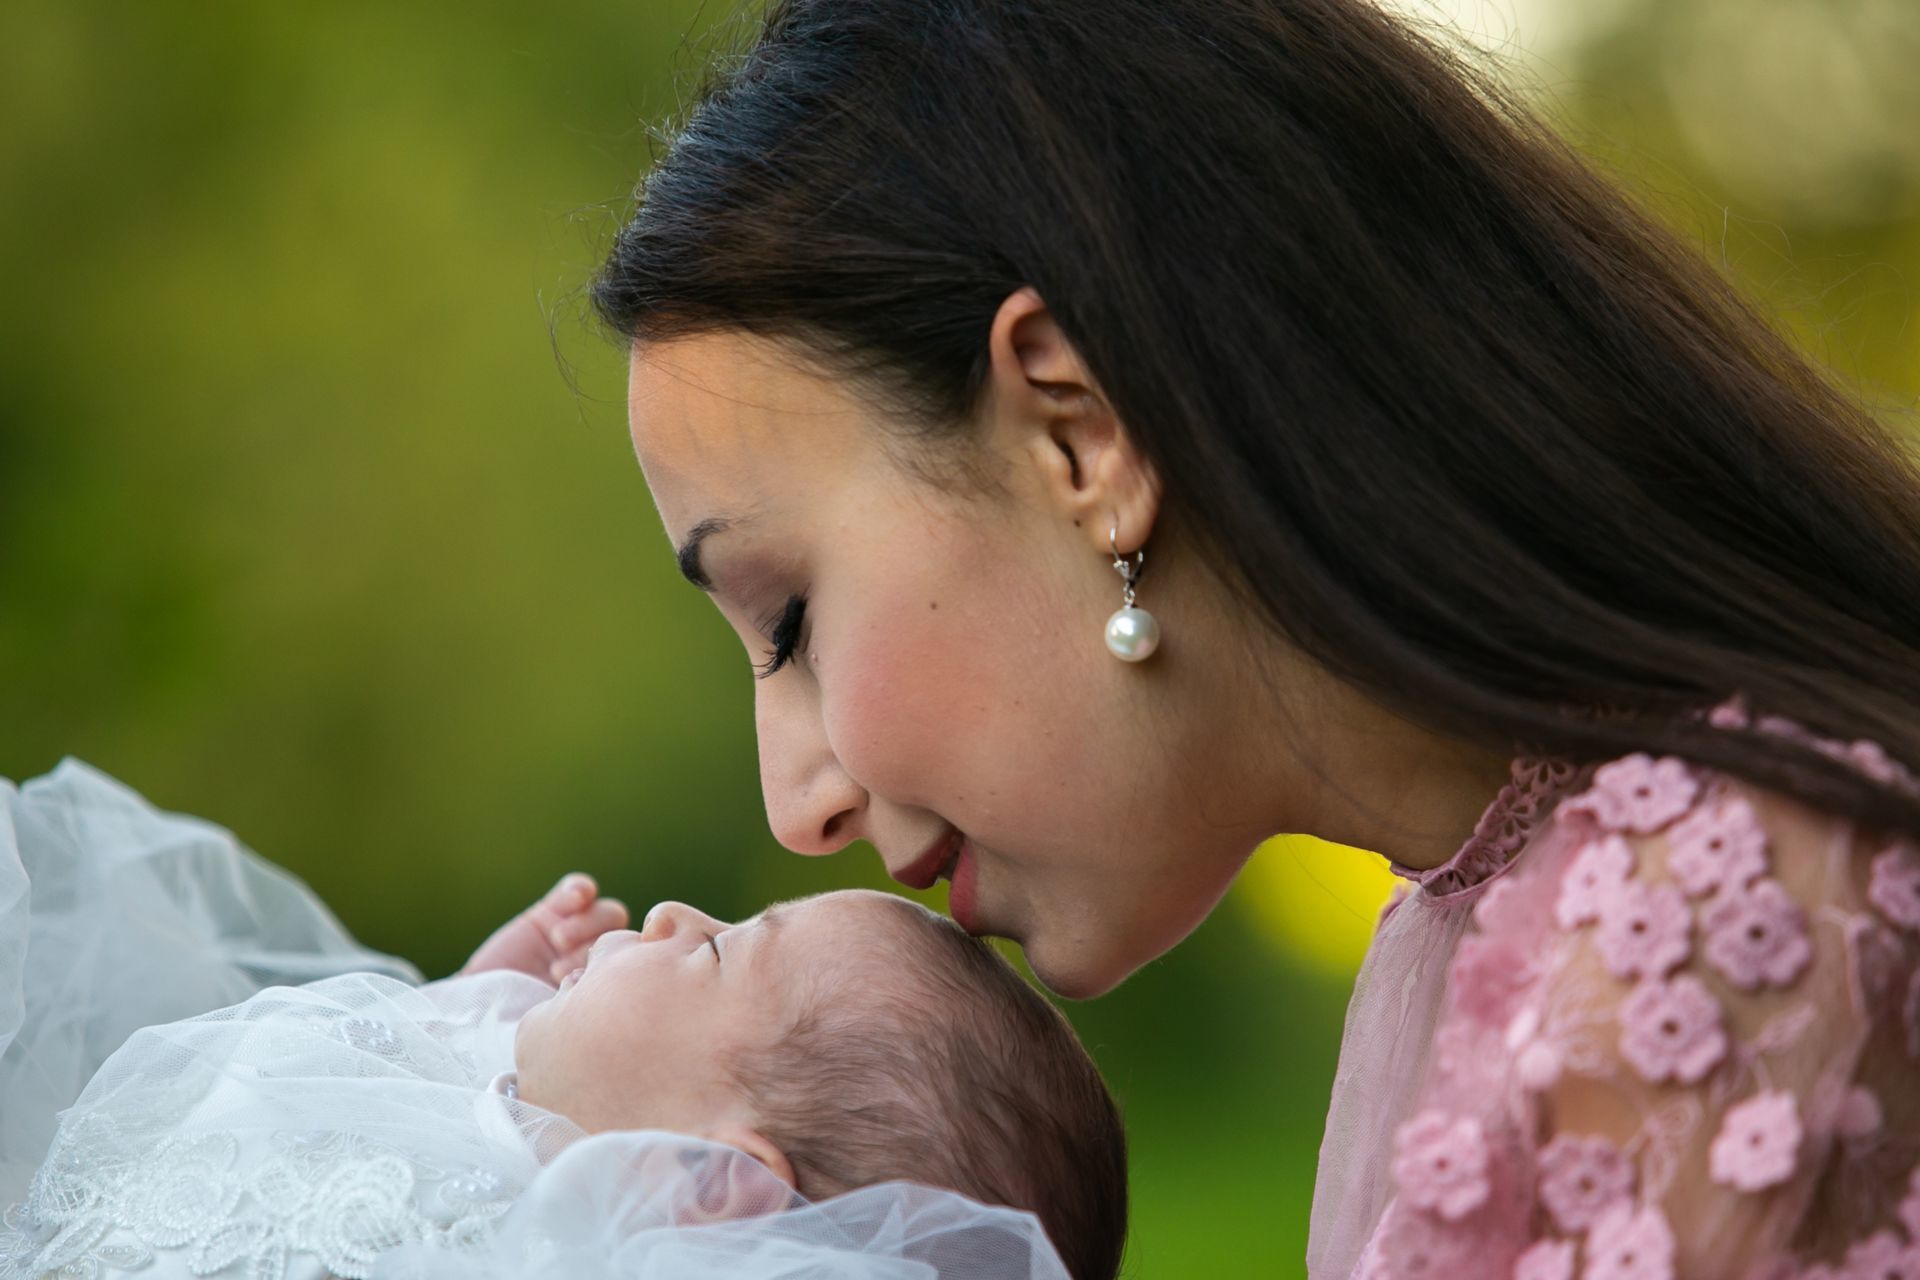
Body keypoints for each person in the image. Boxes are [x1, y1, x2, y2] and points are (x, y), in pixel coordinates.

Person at [587, 0, 1920, 1274]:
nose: (796, 805)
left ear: (1079, 436)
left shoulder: (1715, 903)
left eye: (793, 621)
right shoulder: (1477, 927)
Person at [0, 760, 1125, 1280]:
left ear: (704, 1181)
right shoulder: (503, 1091)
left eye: (726, 947)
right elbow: (399, 1069)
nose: (679, 912)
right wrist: (472, 992)